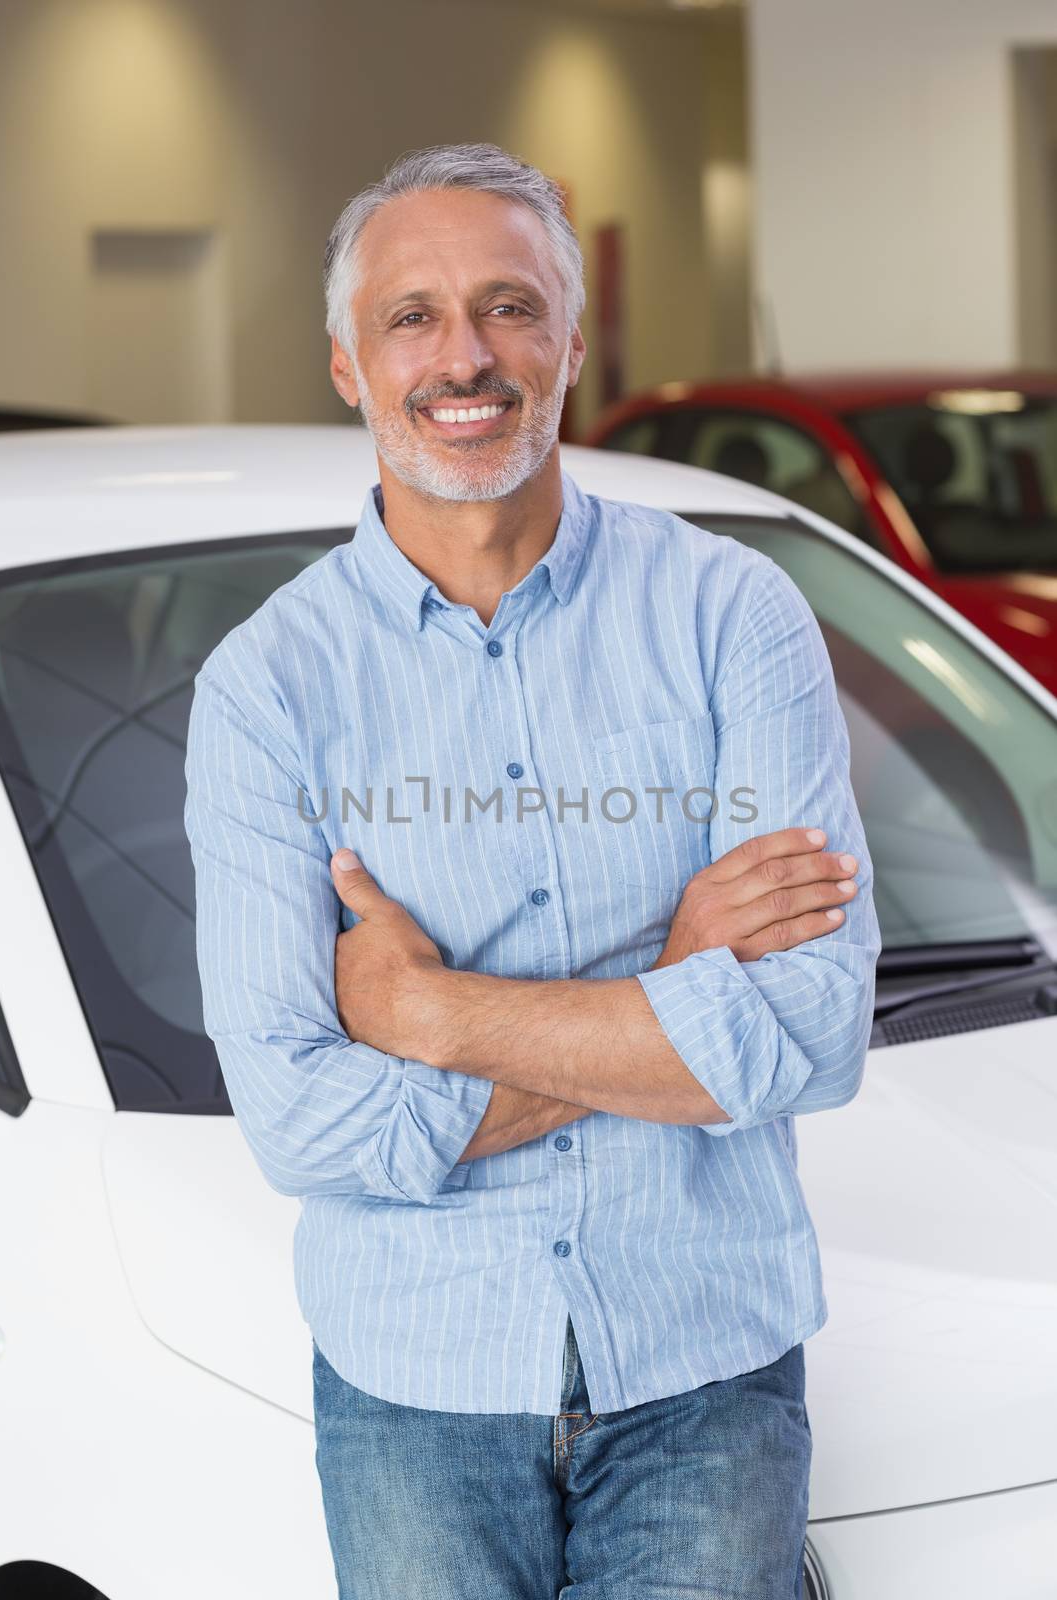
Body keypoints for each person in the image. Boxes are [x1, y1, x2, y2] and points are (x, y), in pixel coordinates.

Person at [184, 142, 882, 1600]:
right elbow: (302, 1122)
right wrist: (671, 989)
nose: (466, 355)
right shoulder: (267, 691)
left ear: (572, 342)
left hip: (709, 1366)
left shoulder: (731, 617)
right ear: (345, 362)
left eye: (510, 307)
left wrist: (430, 1015)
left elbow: (809, 1035)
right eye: (413, 315)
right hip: (413, 1388)